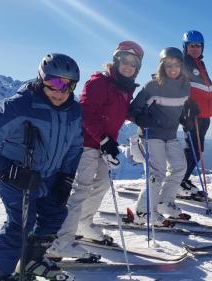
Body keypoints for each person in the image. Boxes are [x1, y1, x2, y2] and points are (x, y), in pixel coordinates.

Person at [0, 53, 82, 280]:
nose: (60, 91)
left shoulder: (74, 111)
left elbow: (75, 146)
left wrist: (66, 177)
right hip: (17, 175)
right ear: (41, 79)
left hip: (49, 176)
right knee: (20, 225)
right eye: (54, 83)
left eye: (67, 85)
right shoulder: (19, 107)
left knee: (55, 215)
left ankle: (31, 260)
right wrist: (9, 171)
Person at [47, 41, 144, 259]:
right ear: (117, 60)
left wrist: (139, 117)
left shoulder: (124, 87)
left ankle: (83, 224)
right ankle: (60, 241)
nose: (128, 66)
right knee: (81, 190)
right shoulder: (99, 82)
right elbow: (86, 113)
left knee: (101, 184)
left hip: (102, 145)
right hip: (84, 144)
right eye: (125, 61)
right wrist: (104, 139)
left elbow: (118, 111)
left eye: (133, 63)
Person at [127, 47, 192, 226]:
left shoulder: (185, 86)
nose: (173, 69)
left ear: (182, 66)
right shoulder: (153, 85)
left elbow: (181, 106)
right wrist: (140, 117)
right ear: (162, 66)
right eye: (168, 65)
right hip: (151, 134)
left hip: (170, 134)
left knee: (180, 167)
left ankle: (165, 203)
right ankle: (142, 212)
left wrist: (186, 116)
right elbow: (132, 110)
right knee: (158, 172)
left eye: (177, 65)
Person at [178, 30, 212, 199]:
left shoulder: (201, 64)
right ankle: (178, 182)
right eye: (191, 45)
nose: (195, 48)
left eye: (198, 45)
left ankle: (182, 179)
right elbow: (177, 85)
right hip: (192, 115)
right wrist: (186, 105)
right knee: (192, 149)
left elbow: (203, 85)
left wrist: (211, 99)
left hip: (205, 114)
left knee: (197, 150)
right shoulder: (183, 62)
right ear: (185, 47)